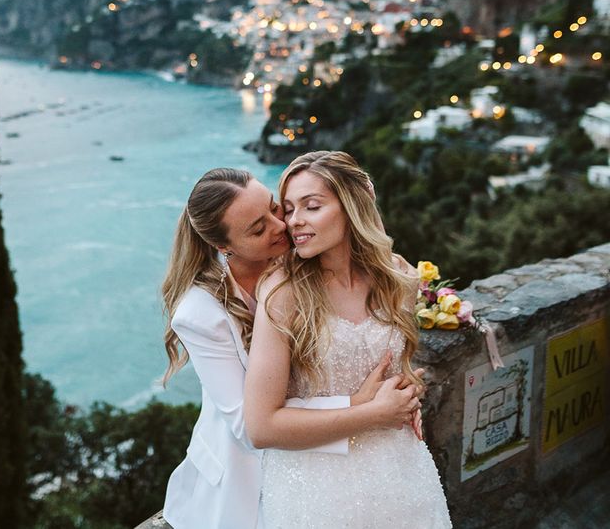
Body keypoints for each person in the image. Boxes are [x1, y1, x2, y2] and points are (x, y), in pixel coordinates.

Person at [161, 168, 423, 529]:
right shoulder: (200, 313)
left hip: (340, 461)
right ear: (224, 247)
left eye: (274, 209)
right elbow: (247, 425)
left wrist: (402, 389)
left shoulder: (304, 257)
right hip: (248, 474)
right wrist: (362, 405)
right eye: (258, 228)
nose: (281, 226)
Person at [244, 151, 452, 528]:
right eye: (289, 209)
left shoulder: (398, 275)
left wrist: (407, 393)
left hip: (400, 473)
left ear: (352, 204)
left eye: (312, 206)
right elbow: (261, 427)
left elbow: (395, 368)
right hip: (315, 488)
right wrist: (374, 413)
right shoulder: (284, 293)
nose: (294, 222)